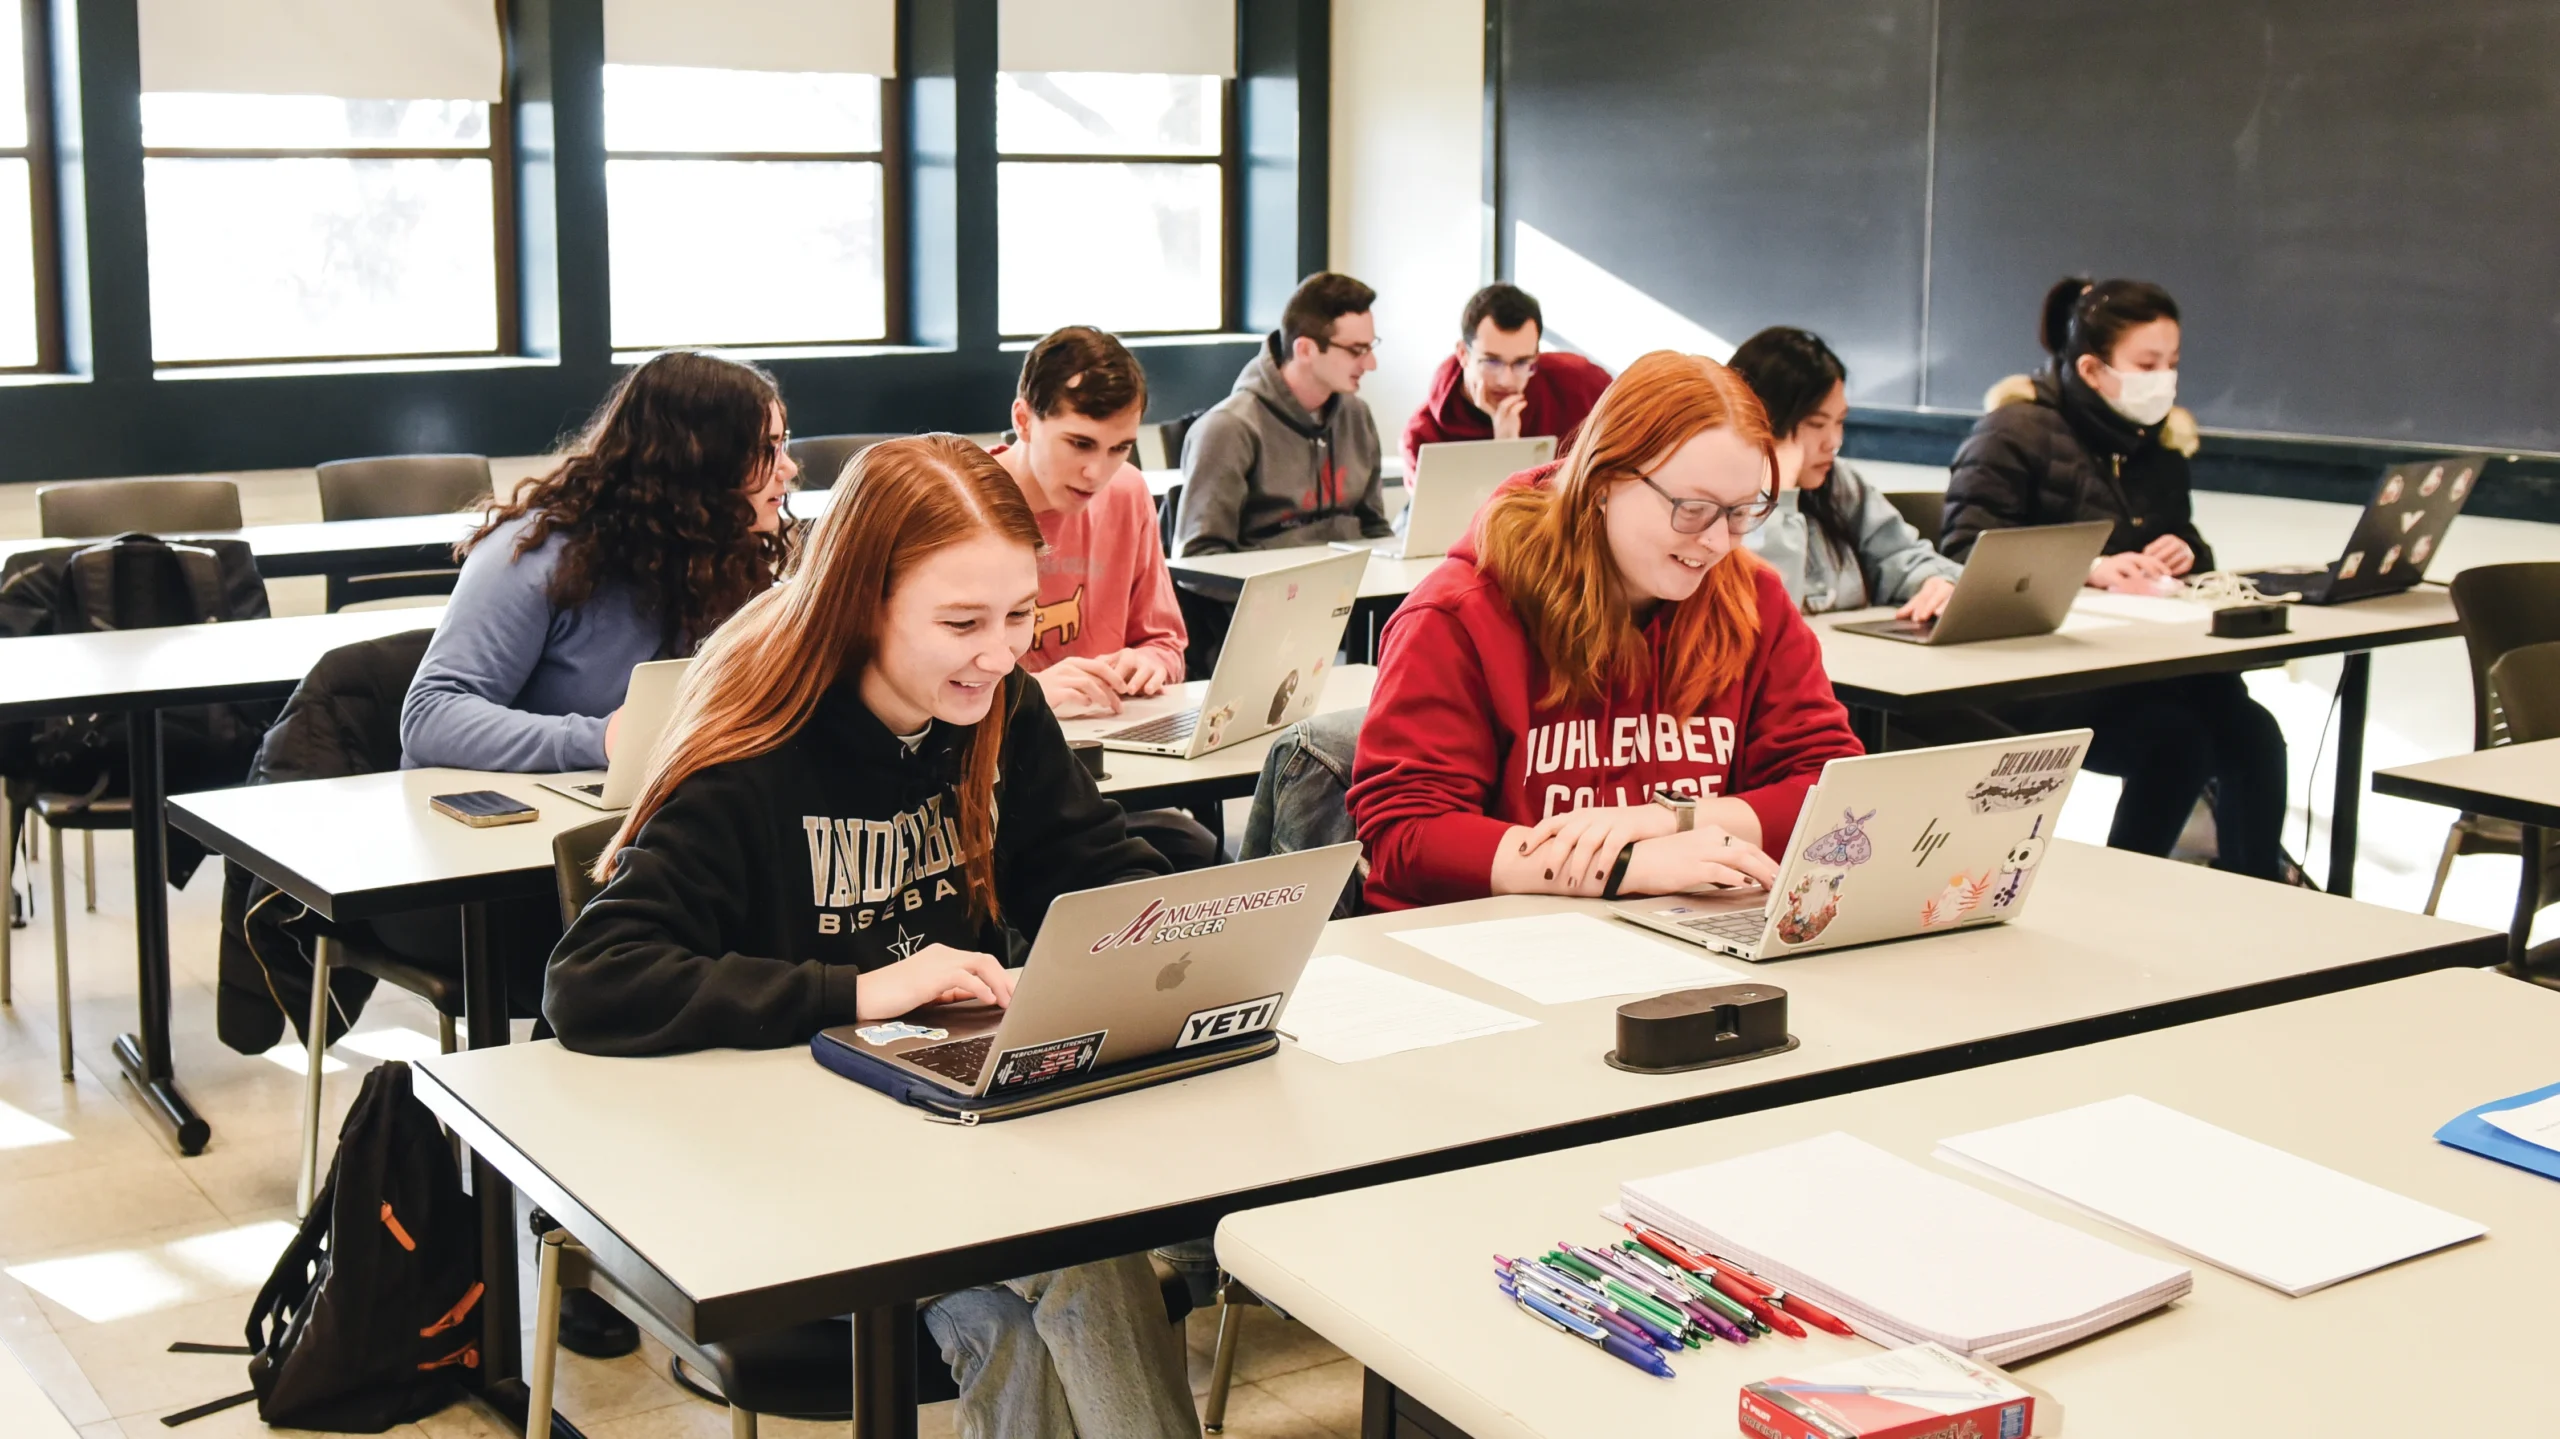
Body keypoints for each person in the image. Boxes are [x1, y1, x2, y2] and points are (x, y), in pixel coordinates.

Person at [545, 435, 1202, 1439]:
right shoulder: (753, 750)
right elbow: (594, 980)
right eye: (961, 621)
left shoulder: (997, 708)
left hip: (947, 1132)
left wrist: (1153, 942)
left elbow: (1091, 865)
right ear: (863, 603)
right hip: (781, 1160)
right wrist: (860, 989)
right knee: (1081, 1252)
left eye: (1020, 615)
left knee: (1010, 1317)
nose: (1003, 651)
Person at [1346, 350, 1864, 912]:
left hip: (1680, 939)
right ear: (1601, 482)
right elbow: (1406, 838)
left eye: (1743, 512)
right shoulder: (1460, 613)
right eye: (1692, 510)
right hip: (1490, 948)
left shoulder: (1751, 599)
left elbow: (1835, 795)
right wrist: (1622, 865)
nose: (1717, 543)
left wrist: (1664, 822)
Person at [1941, 278, 2291, 881]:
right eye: (2147, 364)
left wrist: (2185, 552)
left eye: (2173, 364)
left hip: (2139, 667)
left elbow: (2186, 544)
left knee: (2252, 732)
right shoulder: (2012, 433)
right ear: (2092, 368)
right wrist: (2093, 569)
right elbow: (1965, 554)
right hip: (2040, 677)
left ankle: (2259, 897)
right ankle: (2126, 895)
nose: (2165, 380)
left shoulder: (2157, 446)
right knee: (2176, 742)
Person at [401, 349, 797, 772]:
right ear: (697, 460)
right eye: (765, 449)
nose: (788, 468)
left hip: (639, 806)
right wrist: (599, 740)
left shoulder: (718, 557)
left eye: (782, 443)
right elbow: (431, 716)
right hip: (499, 815)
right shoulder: (535, 553)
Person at [990, 325, 1219, 871]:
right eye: (1079, 444)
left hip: (1110, 768)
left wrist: (1146, 662)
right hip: (999, 784)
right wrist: (1029, 695)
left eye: (1120, 448)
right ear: (1024, 420)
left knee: (1204, 863)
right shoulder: (968, 503)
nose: (1098, 472)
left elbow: (1166, 643)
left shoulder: (1129, 493)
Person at [1727, 326, 1960, 620]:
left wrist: (1934, 582)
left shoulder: (1839, 483)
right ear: (1763, 420)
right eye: (1816, 424)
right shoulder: (1721, 500)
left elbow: (1897, 555)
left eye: (1839, 421)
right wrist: (1778, 496)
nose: (1834, 442)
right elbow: (1767, 607)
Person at [1175, 271, 1394, 556]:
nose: (1371, 363)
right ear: (1305, 349)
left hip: (1352, 592)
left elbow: (1373, 527)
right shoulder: (1229, 428)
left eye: (1370, 347)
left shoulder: (1357, 415)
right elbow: (1200, 557)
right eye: (1357, 350)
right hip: (1269, 596)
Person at [1399, 282, 1613, 478]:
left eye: (1521, 363)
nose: (1506, 380)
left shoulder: (1579, 384)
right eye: (1492, 362)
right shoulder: (1423, 436)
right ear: (1463, 354)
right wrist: (1506, 449)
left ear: (1536, 355)